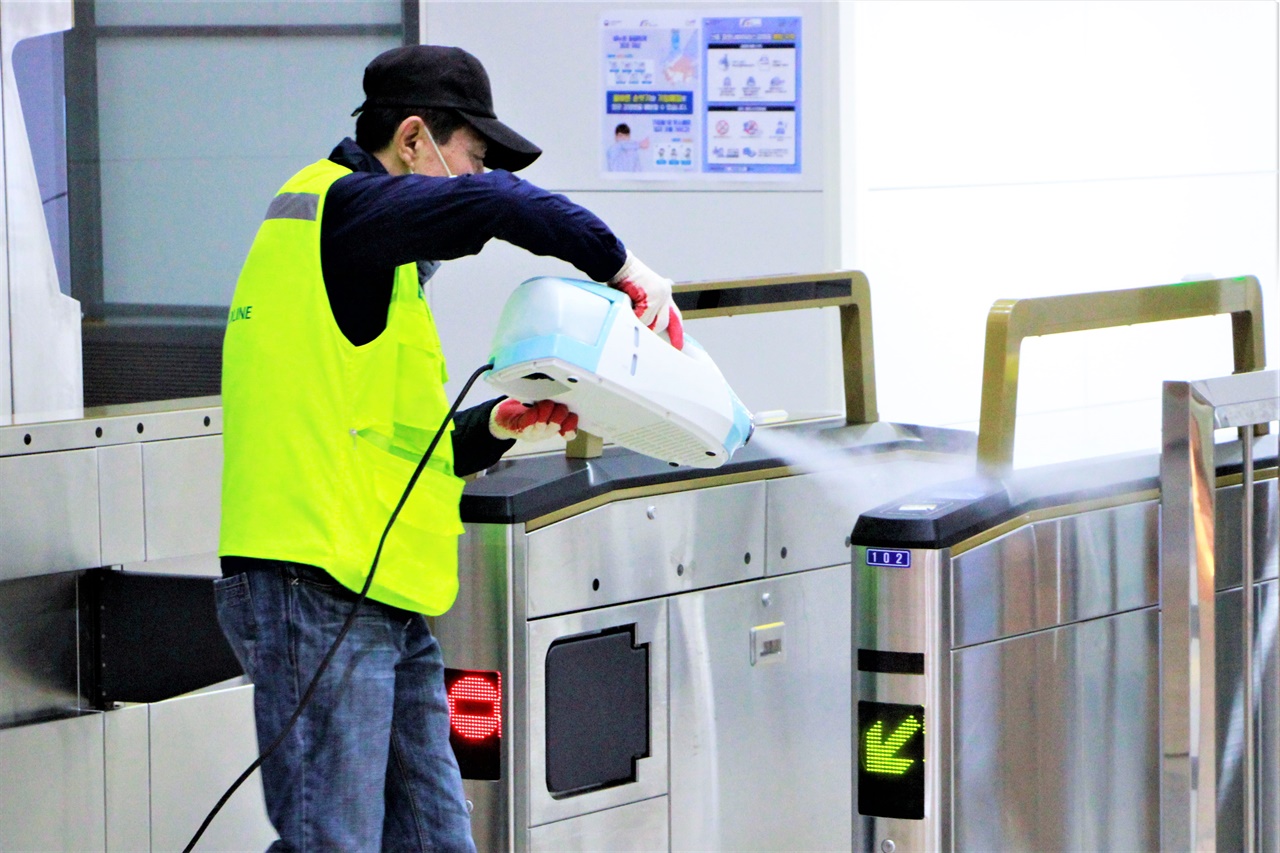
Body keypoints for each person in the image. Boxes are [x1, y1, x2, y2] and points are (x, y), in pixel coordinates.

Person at [215, 44, 682, 851]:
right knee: (335, 840)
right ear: (411, 139)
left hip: (381, 598)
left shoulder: (378, 272)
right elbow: (496, 205)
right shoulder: (344, 215)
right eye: (466, 158)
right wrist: (624, 266)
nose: (473, 176)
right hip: (315, 591)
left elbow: (395, 446)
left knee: (435, 840)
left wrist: (498, 423)